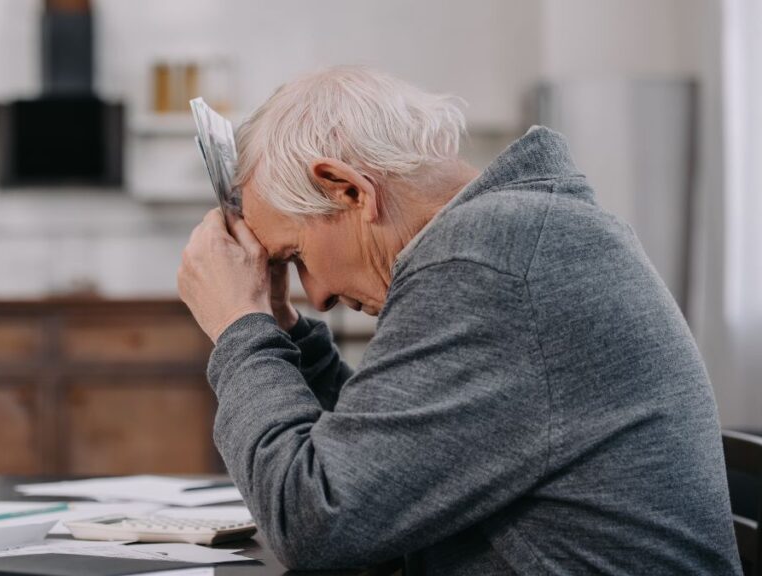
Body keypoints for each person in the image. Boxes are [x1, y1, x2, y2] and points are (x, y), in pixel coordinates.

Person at [177, 66, 740, 574]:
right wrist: (286, 333)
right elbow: (389, 469)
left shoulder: (489, 260)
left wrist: (239, 328)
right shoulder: (517, 238)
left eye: (297, 257)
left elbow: (315, 521)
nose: (316, 297)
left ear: (349, 190)